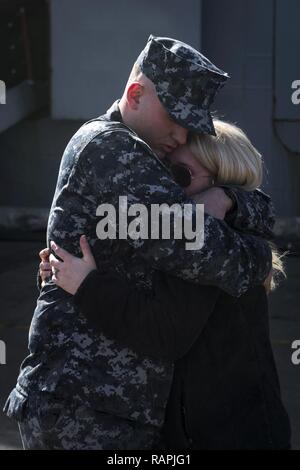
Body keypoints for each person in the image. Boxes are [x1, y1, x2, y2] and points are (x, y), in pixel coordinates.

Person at [4, 36, 273, 450]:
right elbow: (205, 251)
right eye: (178, 119)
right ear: (136, 94)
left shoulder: (135, 155)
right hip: (85, 410)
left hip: (102, 406)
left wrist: (233, 201)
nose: (183, 137)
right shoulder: (114, 151)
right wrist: (259, 254)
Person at [40, 120, 291, 449]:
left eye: (179, 176)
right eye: (162, 172)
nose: (165, 188)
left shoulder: (207, 248)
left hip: (227, 435)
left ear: (219, 182)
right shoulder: (200, 230)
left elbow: (162, 331)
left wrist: (87, 285)